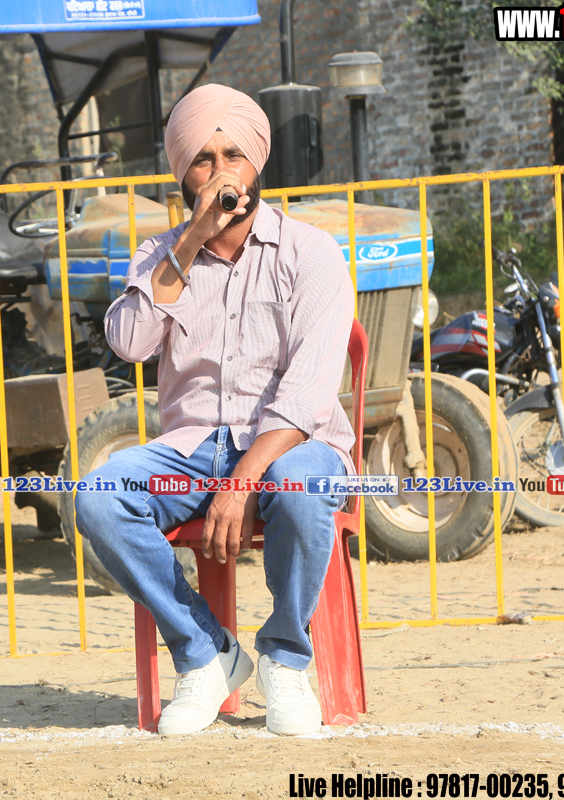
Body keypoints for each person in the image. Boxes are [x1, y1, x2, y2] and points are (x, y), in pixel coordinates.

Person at [72, 83, 356, 736]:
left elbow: (309, 393)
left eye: (233, 156)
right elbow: (128, 342)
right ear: (183, 174)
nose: (221, 172)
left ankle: (285, 659)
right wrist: (195, 236)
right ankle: (205, 653)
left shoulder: (309, 251)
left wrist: (244, 478)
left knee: (301, 485)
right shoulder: (160, 256)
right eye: (204, 159)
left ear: (256, 165)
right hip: (193, 453)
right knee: (100, 496)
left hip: (292, 446)